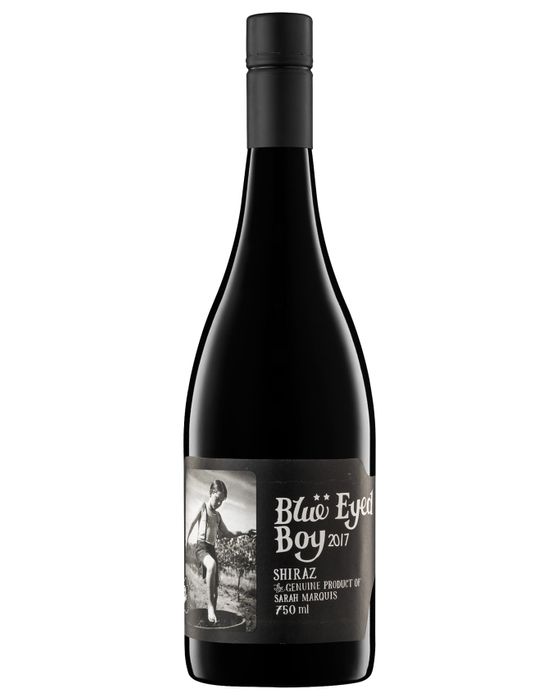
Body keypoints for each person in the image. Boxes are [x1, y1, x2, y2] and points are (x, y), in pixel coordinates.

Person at [186, 479, 253, 624]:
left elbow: (228, 533)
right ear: (211, 493)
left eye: (222, 501)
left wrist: (245, 532)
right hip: (201, 547)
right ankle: (210, 607)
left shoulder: (217, 516)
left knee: (215, 591)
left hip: (212, 549)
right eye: (217, 499)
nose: (219, 503)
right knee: (211, 565)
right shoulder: (203, 507)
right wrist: (185, 541)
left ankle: (212, 619)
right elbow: (190, 523)